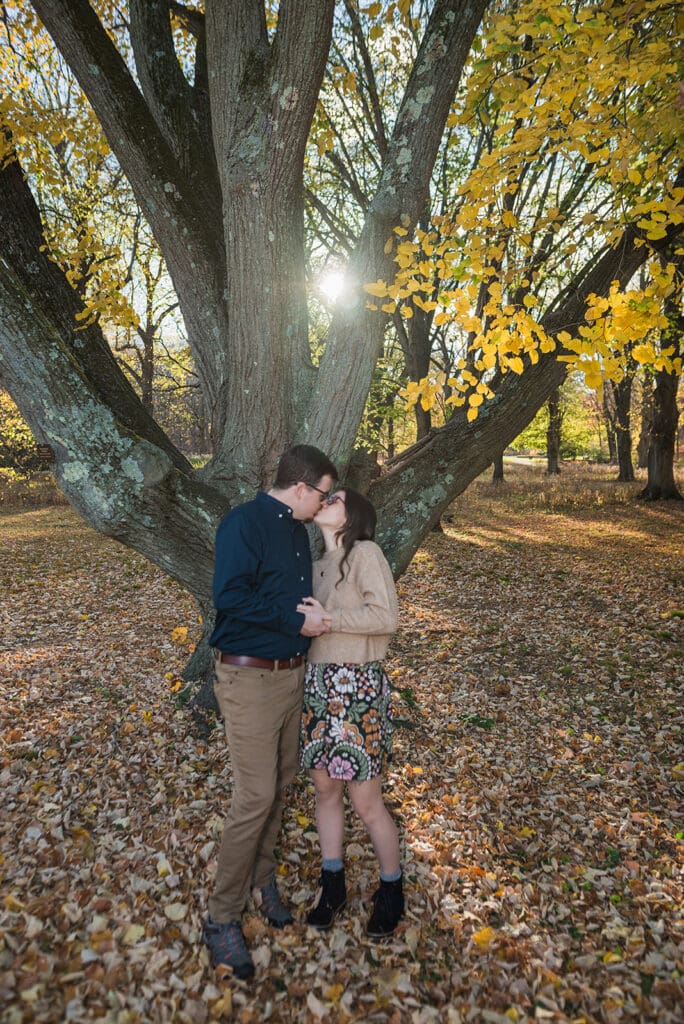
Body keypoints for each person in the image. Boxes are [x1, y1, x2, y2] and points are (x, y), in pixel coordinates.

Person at [202, 444, 337, 979]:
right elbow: (229, 596)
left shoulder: (298, 533)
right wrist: (293, 621)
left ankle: (262, 879)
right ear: (301, 487)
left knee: (280, 785)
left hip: (290, 678)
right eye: (322, 492)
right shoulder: (245, 522)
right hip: (248, 677)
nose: (323, 502)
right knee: (254, 796)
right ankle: (221, 917)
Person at [298, 487, 404, 938]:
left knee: (365, 799)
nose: (326, 500)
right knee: (325, 791)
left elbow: (386, 617)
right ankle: (333, 882)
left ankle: (392, 888)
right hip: (319, 687)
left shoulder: (365, 552)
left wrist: (331, 621)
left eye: (337, 497)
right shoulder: (314, 563)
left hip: (358, 686)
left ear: (353, 514)